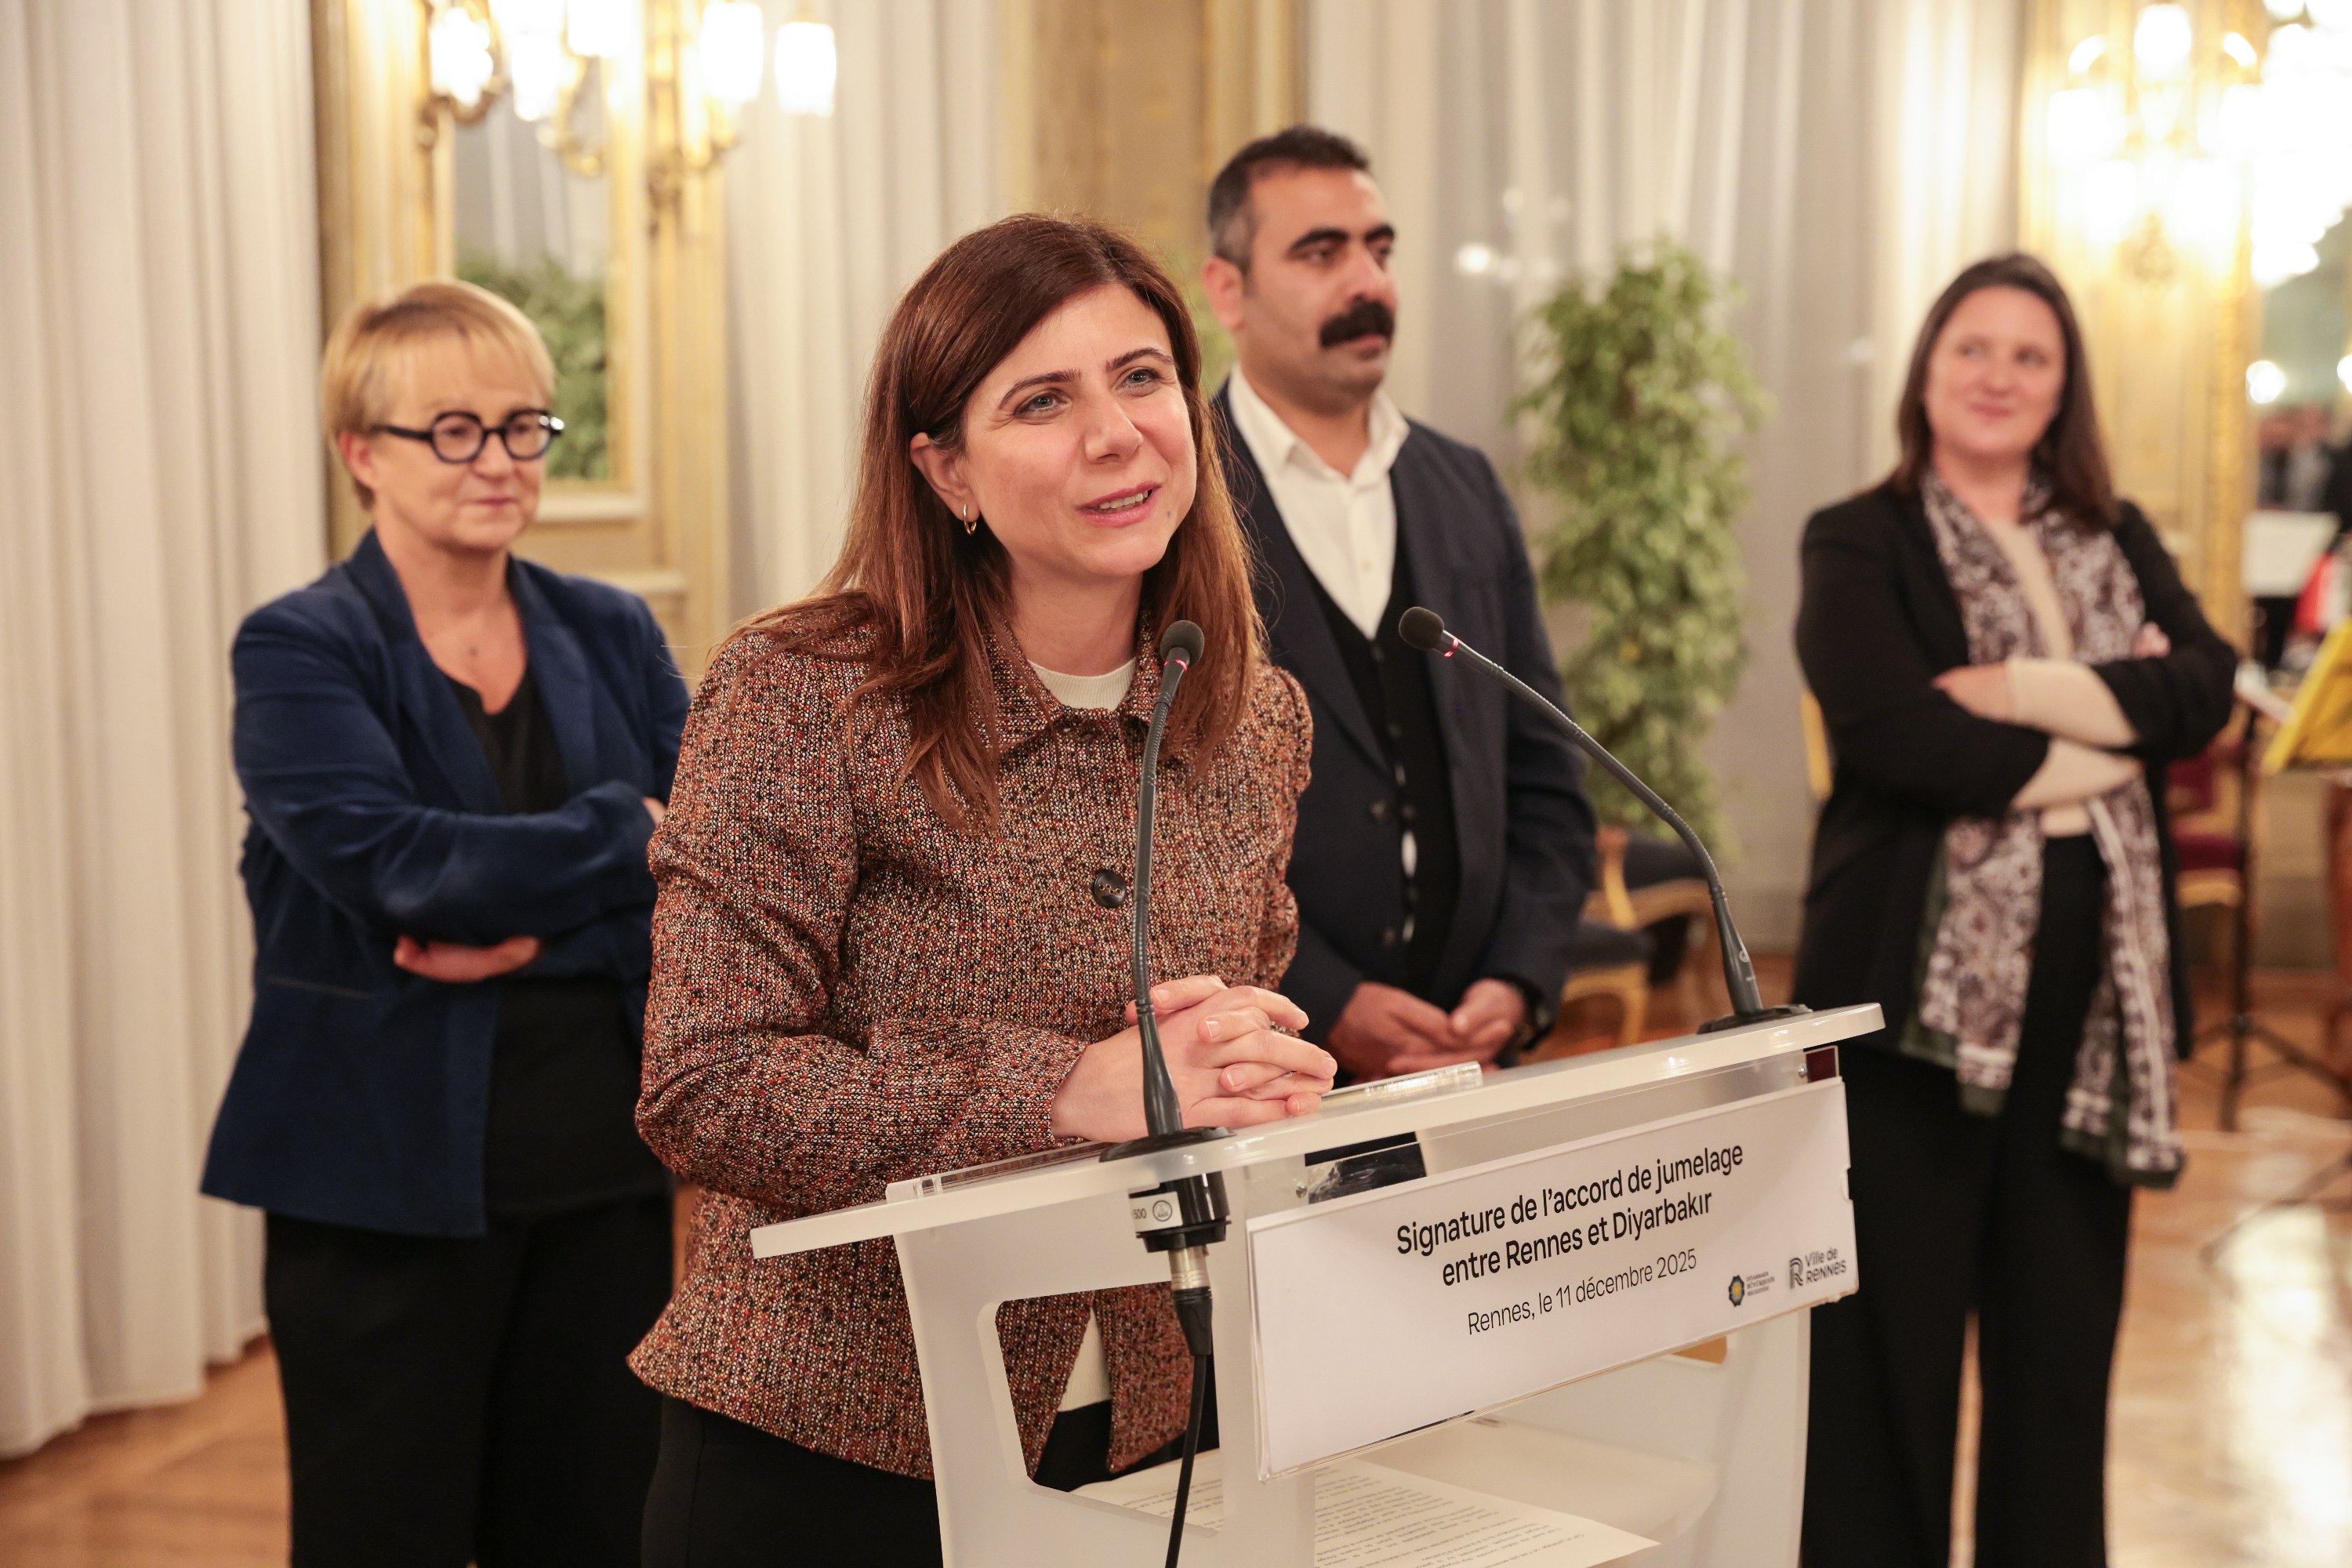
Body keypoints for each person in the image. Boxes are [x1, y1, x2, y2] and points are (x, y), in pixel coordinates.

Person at [630, 215, 1337, 1566]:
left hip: (1151, 1428)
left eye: (1141, 377)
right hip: (836, 1447)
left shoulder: (1254, 718)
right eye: (1042, 401)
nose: (1117, 434)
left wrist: (1256, 1077)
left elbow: (1209, 1058)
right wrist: (1061, 1093)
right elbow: (704, 1085)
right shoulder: (803, 695)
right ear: (945, 468)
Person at [200, 280, 686, 1565]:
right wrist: (623, 830)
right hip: (380, 1180)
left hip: (603, 1166)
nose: (501, 461)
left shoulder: (611, 628)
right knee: (383, 1536)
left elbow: (714, 869)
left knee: (594, 1531)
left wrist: (541, 932)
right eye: (456, 431)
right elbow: (401, 872)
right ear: (361, 450)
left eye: (524, 427)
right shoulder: (299, 648)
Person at [1793, 254, 2234, 1568]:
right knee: (1890, 1349)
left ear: (2064, 388)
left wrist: (2017, 692)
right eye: (1972, 349)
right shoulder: (1857, 537)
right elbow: (1898, 738)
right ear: (1927, 372)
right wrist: (2118, 724)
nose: (1998, 376)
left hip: (2095, 996)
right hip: (1910, 1003)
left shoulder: (2119, 534)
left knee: (2060, 1350)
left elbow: (2207, 690)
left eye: (2029, 356)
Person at [1198, 125, 1595, 1081]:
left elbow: (1544, 772)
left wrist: (1520, 976)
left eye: (1379, 250)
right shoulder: (1178, 499)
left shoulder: (1464, 486)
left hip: (1471, 1047)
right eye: (1321, 253)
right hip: (1271, 1063)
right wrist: (1329, 1000)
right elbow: (1156, 829)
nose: (1368, 283)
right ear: (1228, 291)